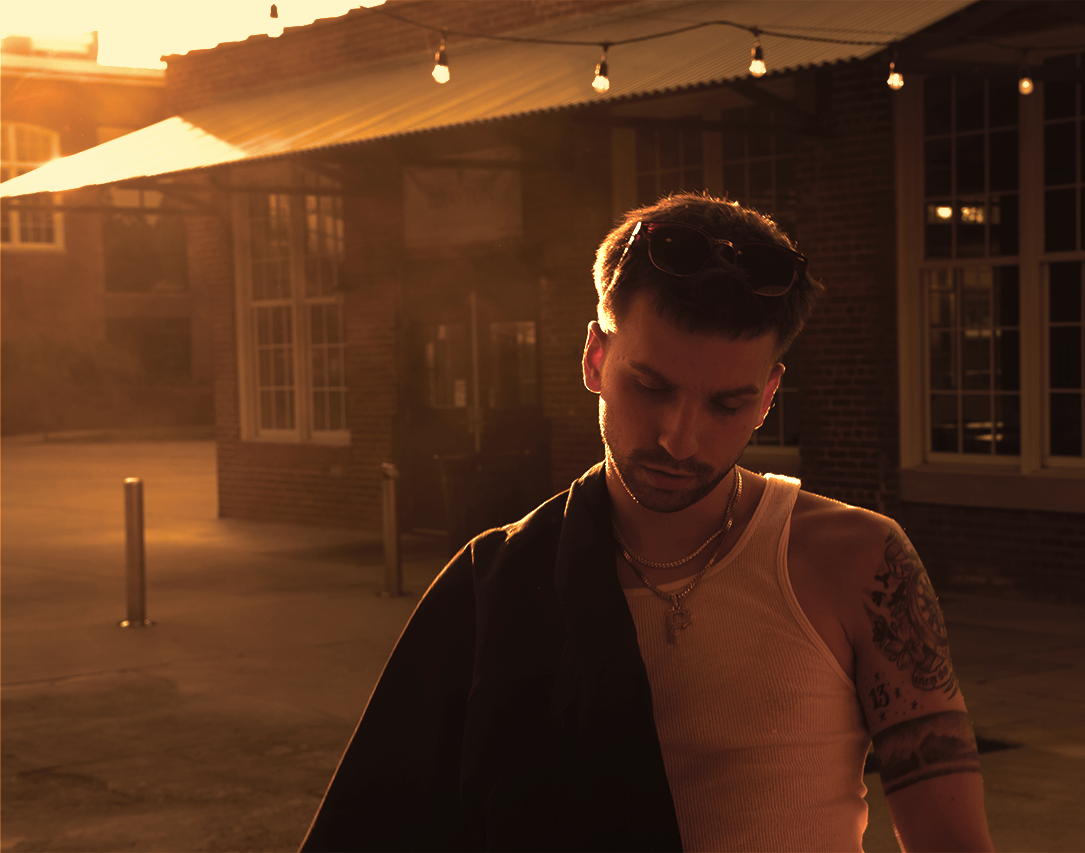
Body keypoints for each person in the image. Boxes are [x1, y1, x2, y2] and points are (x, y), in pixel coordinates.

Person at [300, 193, 995, 853]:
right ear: (595, 357)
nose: (679, 439)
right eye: (652, 387)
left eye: (727, 404)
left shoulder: (859, 562)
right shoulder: (493, 584)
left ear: (768, 397)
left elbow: (953, 844)